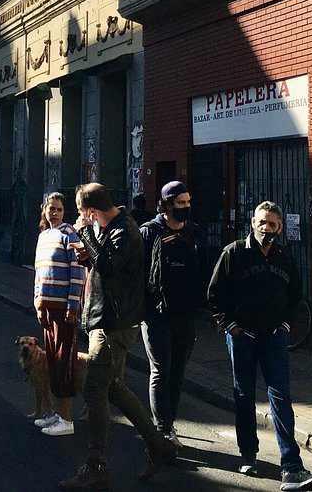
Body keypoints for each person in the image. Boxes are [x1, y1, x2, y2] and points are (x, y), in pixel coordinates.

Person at [61, 183, 178, 491]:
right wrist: (88, 251)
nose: (81, 217)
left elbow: (109, 264)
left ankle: (97, 465)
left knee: (94, 388)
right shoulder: (110, 228)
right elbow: (107, 267)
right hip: (106, 319)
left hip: (115, 324)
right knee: (110, 386)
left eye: (81, 212)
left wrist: (85, 235)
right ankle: (158, 444)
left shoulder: (124, 229)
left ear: (90, 210)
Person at [207, 201, 312, 491]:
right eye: (261, 222)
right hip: (243, 335)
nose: (265, 229)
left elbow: (296, 294)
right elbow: (214, 294)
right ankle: (248, 454)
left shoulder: (284, 256)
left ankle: (291, 467)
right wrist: (230, 326)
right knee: (244, 394)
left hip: (273, 337)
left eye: (271, 224)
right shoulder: (234, 253)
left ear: (280, 228)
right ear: (252, 222)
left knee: (281, 396)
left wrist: (285, 325)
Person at [140, 180, 202, 444]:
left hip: (185, 315)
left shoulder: (194, 233)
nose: (186, 207)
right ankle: (163, 429)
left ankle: (169, 423)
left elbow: (204, 270)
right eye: (180, 203)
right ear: (166, 205)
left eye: (188, 202)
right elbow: (138, 273)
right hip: (156, 315)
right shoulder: (149, 232)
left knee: (177, 373)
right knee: (160, 371)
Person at [33, 192, 86, 437]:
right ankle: (56, 412)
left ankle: (67, 418)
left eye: (59, 209)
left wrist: (72, 306)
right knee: (52, 361)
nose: (54, 213)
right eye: (51, 208)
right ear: (44, 210)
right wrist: (38, 303)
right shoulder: (44, 236)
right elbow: (38, 273)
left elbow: (78, 273)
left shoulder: (69, 235)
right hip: (47, 307)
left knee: (64, 361)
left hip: (64, 309)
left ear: (65, 212)